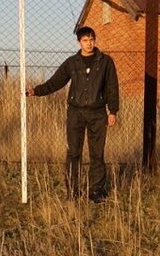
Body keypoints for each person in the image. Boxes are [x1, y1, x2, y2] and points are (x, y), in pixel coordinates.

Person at [25, 26, 119, 202]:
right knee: (74, 152)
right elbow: (56, 82)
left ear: (95, 40)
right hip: (75, 113)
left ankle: (96, 192)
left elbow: (112, 87)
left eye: (92, 39)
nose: (89, 43)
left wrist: (112, 111)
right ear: (79, 42)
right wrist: (35, 91)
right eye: (85, 40)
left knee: (97, 153)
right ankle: (73, 192)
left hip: (98, 113)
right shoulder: (71, 63)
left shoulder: (106, 62)